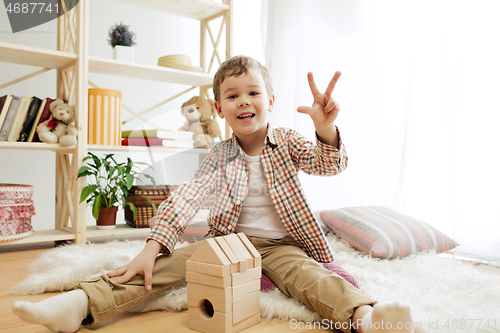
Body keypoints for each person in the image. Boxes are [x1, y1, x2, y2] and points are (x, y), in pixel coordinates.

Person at [12, 55, 414, 333]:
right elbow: (187, 197)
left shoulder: (289, 140)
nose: (244, 101)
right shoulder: (218, 155)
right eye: (233, 95)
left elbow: (329, 164)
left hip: (283, 246)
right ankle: (79, 304)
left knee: (311, 278)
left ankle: (365, 316)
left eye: (253, 92)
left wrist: (325, 129)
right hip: (227, 245)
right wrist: (153, 246)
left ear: (270, 102)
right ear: (220, 110)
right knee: (159, 267)